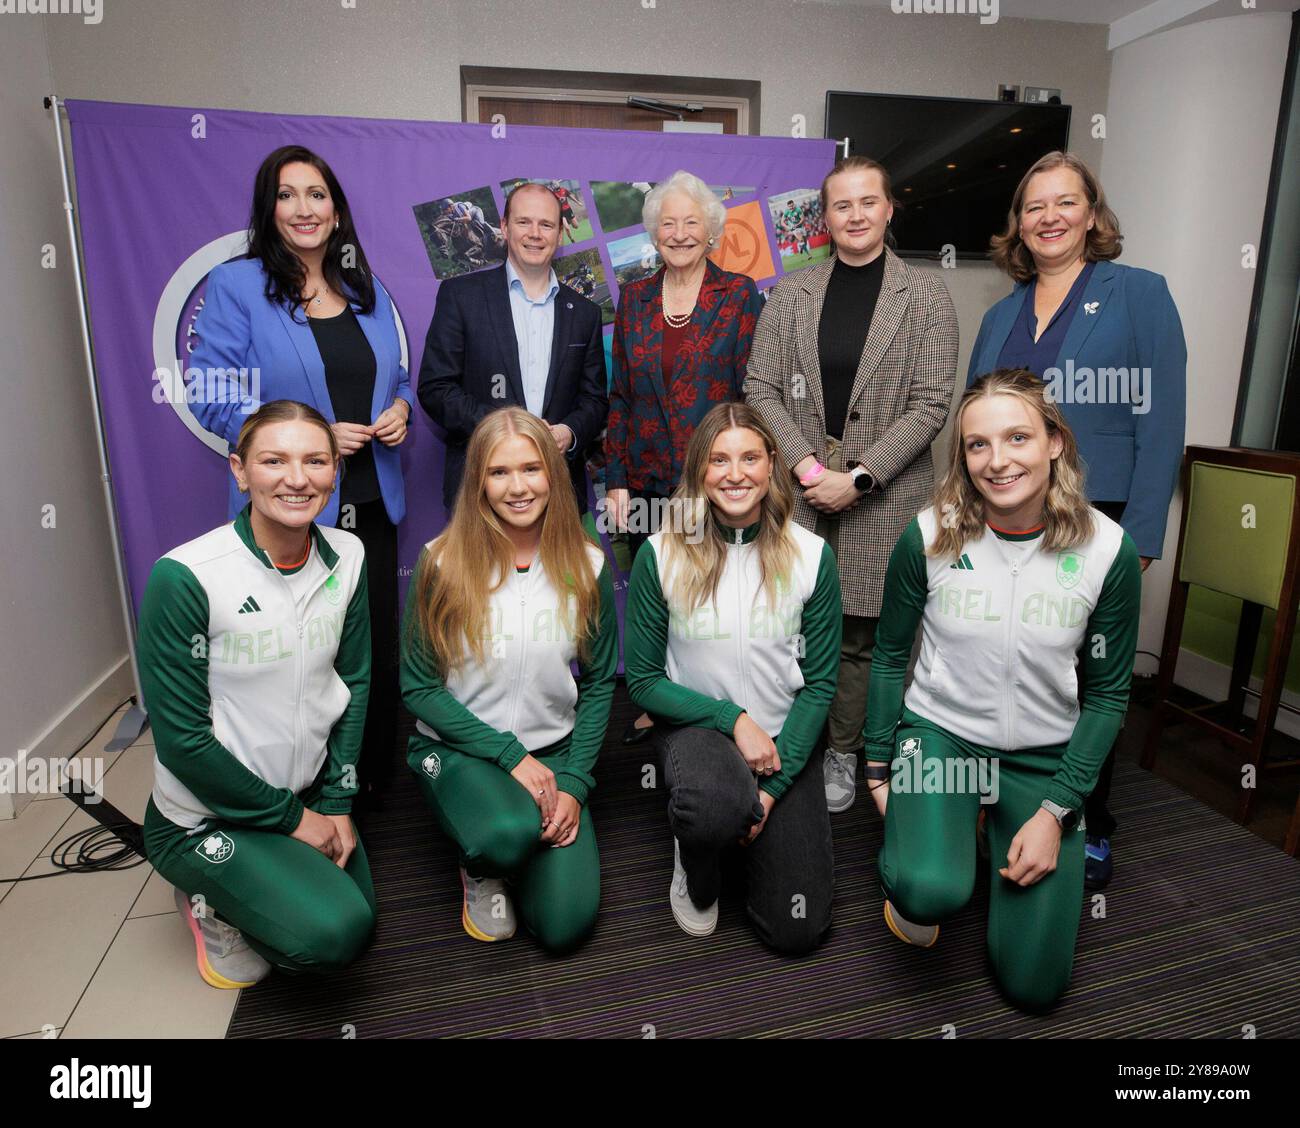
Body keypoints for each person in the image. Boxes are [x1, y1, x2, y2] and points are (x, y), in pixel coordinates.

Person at [865, 369, 1141, 1011]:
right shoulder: (929, 536)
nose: (997, 460)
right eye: (977, 445)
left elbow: (1107, 697)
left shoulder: (1108, 552)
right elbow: (886, 656)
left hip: (1044, 761)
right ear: (962, 457)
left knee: (1035, 988)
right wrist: (879, 767)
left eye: (1017, 437)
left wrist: (1057, 811)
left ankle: (992, 828)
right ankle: (934, 847)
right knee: (928, 888)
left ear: (1055, 443)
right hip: (945, 742)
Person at [967, 151, 1187, 889]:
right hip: (1004, 516)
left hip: (1104, 511)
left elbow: (1163, 419)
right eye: (1034, 207)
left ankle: (1085, 819)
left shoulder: (1141, 295)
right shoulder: (1000, 315)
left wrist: (1146, 532)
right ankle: (1000, 802)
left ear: (1093, 214)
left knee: (1090, 672)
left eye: (1065, 203)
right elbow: (976, 423)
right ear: (1019, 226)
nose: (1049, 217)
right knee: (1011, 657)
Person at [188, 144, 411, 808]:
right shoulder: (237, 287)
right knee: (298, 653)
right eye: (287, 195)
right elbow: (211, 396)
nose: (304, 208)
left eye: (316, 194)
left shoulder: (366, 291)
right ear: (268, 208)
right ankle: (297, 786)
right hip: (292, 511)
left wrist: (398, 409)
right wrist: (311, 440)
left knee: (366, 648)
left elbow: (392, 376)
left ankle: (368, 779)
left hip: (371, 501)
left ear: (336, 210)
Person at [746, 155, 959, 814]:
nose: (856, 215)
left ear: (889, 208)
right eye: (842, 204)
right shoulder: (794, 292)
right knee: (796, 624)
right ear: (825, 217)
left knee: (863, 635)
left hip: (885, 494)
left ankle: (846, 752)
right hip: (803, 492)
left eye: (869, 201)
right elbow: (761, 386)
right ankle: (790, 741)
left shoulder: (924, 294)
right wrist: (809, 467)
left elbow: (930, 403)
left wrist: (859, 478)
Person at [139, 400, 376, 988]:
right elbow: (183, 743)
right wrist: (295, 820)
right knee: (331, 937)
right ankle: (203, 898)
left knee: (360, 919)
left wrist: (338, 804)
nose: (298, 479)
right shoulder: (187, 575)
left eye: (316, 461)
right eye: (274, 460)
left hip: (307, 797)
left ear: (333, 471)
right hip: (205, 817)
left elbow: (354, 682)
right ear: (239, 471)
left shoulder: (348, 556)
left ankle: (260, 875)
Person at [624, 403, 842, 954]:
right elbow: (645, 681)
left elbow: (818, 686)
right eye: (719, 460)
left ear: (772, 464)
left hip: (782, 739)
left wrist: (768, 794)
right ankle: (696, 851)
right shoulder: (662, 551)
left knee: (797, 929)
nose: (735, 473)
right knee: (712, 807)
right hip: (699, 732)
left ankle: (739, 818)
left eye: (749, 457)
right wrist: (732, 718)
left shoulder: (812, 554)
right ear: (700, 470)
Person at [401, 407, 618, 953]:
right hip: (463, 752)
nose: (518, 487)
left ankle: (519, 833)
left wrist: (573, 784)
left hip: (554, 753)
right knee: (502, 837)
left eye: (531, 469)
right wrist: (507, 755)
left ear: (553, 474)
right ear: (478, 481)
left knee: (565, 925)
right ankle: (482, 860)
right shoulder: (440, 563)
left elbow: (597, 686)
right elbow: (419, 688)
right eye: (499, 472)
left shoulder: (587, 564)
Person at [604, 169, 763, 745]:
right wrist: (617, 479)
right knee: (659, 595)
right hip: (647, 478)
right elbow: (620, 393)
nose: (678, 233)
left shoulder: (740, 295)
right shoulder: (634, 297)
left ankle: (716, 704)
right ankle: (662, 697)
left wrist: (746, 465)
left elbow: (752, 392)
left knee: (713, 597)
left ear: (711, 230)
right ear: (653, 233)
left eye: (690, 222)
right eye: (667, 223)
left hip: (720, 478)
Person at [418, 182, 608, 516]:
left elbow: (594, 401)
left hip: (558, 493)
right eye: (524, 222)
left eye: (546, 224)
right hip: (479, 493)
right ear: (504, 227)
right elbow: (436, 388)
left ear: (560, 233)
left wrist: (569, 432)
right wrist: (505, 431)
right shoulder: (461, 296)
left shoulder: (585, 313)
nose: (535, 233)